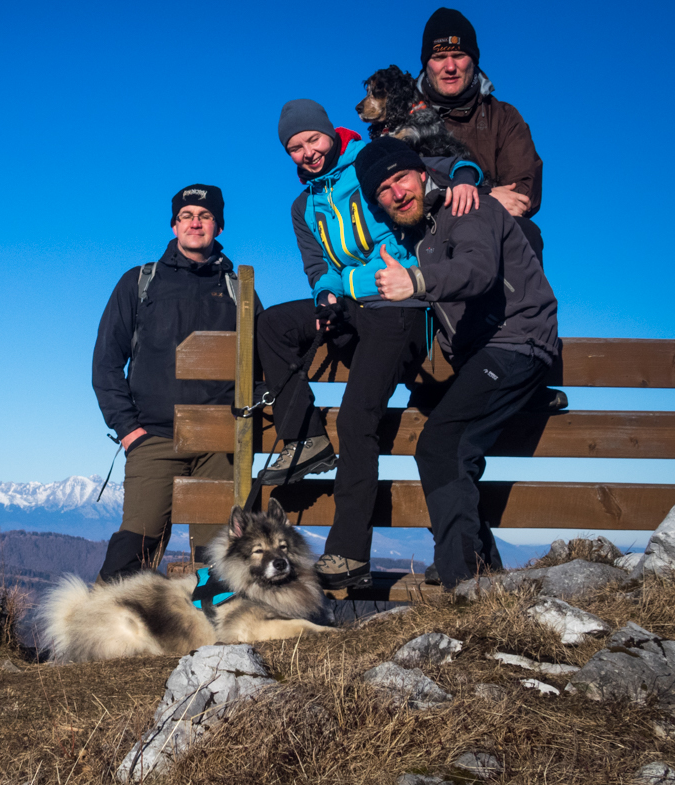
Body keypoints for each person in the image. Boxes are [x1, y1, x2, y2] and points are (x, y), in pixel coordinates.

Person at [256, 99, 481, 590]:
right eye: (295, 148)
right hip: (351, 303)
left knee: (359, 418)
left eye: (312, 140)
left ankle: (348, 553)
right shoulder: (303, 206)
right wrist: (325, 294)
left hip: (397, 305)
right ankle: (306, 437)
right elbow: (317, 267)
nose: (307, 152)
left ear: (329, 133)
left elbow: (442, 164)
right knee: (273, 325)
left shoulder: (372, 159)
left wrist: (465, 176)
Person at [360, 137, 560, 589]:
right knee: (446, 444)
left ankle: (461, 580)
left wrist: (414, 280)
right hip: (492, 353)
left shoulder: (467, 209)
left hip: (518, 342)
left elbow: (478, 269)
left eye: (401, 178)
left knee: (442, 444)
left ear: (420, 173)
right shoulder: (424, 233)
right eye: (384, 191)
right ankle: (479, 570)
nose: (397, 192)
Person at [92, 184, 260, 582]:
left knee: (217, 556)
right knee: (134, 546)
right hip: (154, 437)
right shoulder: (140, 282)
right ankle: (99, 634)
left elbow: (263, 358)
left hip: (219, 441)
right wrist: (129, 430)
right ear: (174, 225)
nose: (195, 222)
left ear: (218, 226)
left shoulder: (239, 290)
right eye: (187, 215)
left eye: (204, 216)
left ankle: (212, 635)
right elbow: (106, 362)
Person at [417, 7, 544, 262]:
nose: (450, 66)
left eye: (459, 55)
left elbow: (521, 193)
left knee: (525, 232)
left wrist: (476, 201)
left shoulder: (504, 116)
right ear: (427, 63)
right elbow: (400, 187)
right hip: (425, 232)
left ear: (473, 60)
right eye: (440, 57)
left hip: (489, 227)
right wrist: (487, 195)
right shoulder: (405, 119)